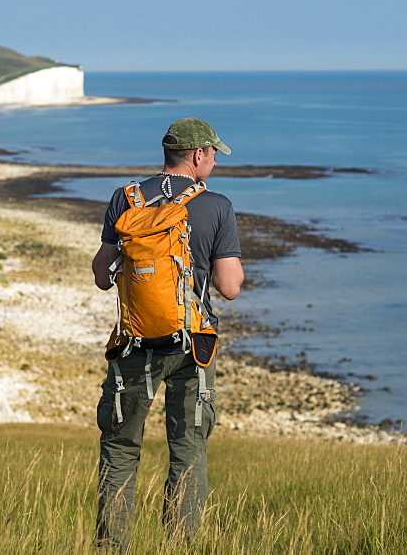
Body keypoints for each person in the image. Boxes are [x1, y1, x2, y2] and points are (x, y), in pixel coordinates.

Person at [91, 117, 244, 550]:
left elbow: (103, 274)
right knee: (188, 451)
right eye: (214, 155)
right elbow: (229, 288)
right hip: (192, 346)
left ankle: (111, 547)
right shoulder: (216, 205)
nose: (214, 163)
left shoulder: (126, 197)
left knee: (120, 450)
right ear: (198, 155)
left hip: (133, 343)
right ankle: (179, 546)